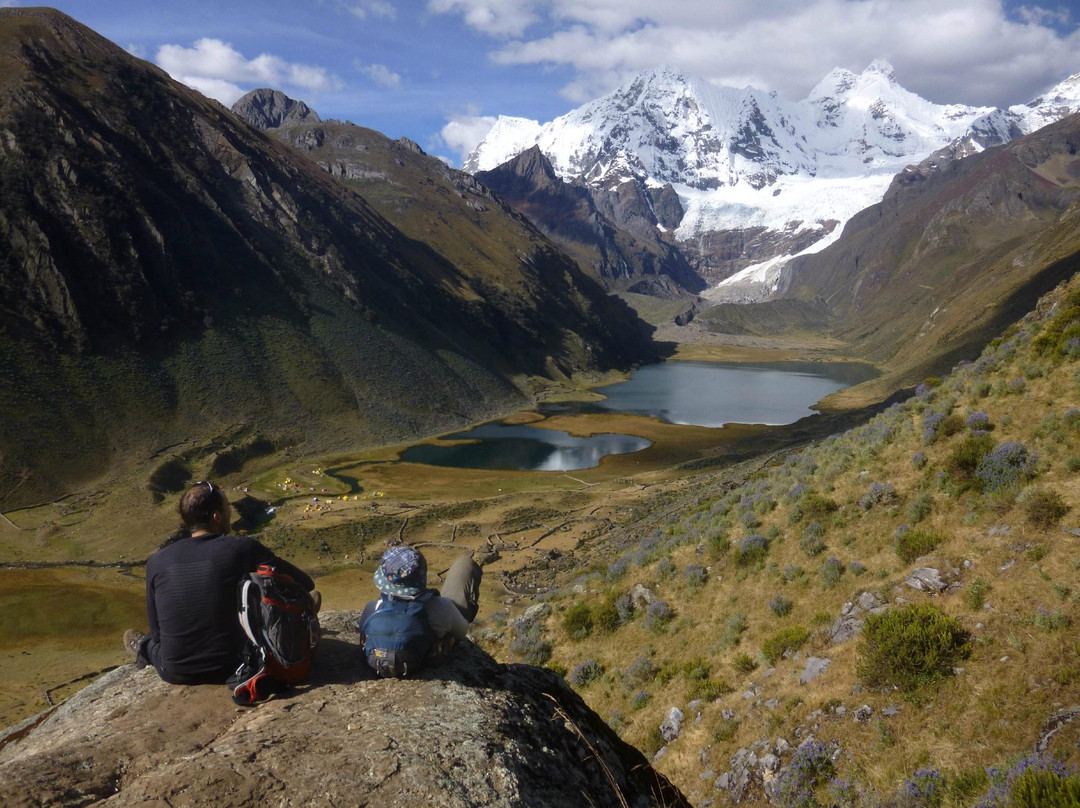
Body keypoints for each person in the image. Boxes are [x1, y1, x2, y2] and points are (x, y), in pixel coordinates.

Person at [124, 480, 317, 685]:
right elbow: (305, 583)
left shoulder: (157, 560)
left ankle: (141, 647)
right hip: (236, 664)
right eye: (228, 507)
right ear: (216, 517)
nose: (231, 512)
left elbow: (157, 633)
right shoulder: (241, 548)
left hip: (174, 670)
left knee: (150, 642)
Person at [359, 546, 481, 676]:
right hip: (425, 662)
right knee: (464, 565)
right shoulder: (442, 607)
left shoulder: (372, 607)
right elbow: (462, 631)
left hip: (378, 664)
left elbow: (363, 636)